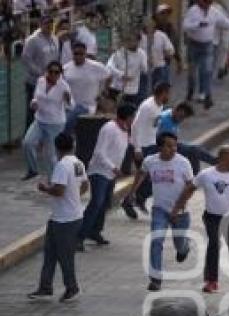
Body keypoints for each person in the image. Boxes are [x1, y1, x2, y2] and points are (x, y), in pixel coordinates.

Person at [171, 145, 229, 294]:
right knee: (213, 245)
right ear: (222, 159)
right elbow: (189, 189)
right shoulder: (206, 174)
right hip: (212, 217)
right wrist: (177, 208)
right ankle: (211, 281)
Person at [128, 132, 194, 291]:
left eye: (175, 145)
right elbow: (141, 173)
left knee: (180, 244)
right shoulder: (150, 161)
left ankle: (184, 247)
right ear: (160, 147)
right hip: (159, 209)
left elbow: (191, 186)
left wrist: (179, 207)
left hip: (180, 212)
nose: (173, 149)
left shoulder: (183, 163)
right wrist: (132, 192)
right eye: (169, 146)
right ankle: (155, 279)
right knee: (156, 241)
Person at [28, 132, 88, 303]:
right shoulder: (78, 163)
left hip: (65, 220)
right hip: (64, 216)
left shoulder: (62, 165)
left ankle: (72, 287)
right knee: (50, 253)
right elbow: (85, 185)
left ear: (56, 147)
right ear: (72, 145)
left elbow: (59, 190)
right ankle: (45, 287)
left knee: (64, 256)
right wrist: (74, 197)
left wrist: (45, 188)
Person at [77, 103, 136, 249]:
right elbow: (99, 152)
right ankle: (79, 236)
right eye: (132, 117)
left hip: (111, 173)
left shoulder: (125, 130)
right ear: (127, 117)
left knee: (105, 203)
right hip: (100, 171)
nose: (134, 120)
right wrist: (113, 168)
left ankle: (95, 231)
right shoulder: (109, 129)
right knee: (96, 202)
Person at [124, 81, 172, 217]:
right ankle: (131, 199)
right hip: (142, 147)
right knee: (148, 176)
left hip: (152, 145)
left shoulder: (160, 105)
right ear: (162, 93)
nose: (169, 96)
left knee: (152, 176)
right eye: (168, 93)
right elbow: (135, 126)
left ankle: (137, 198)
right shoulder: (147, 106)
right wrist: (137, 148)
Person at [182, 0, 229, 110]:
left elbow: (224, 22)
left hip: (207, 45)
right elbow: (185, 26)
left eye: (209, 2)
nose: (207, 4)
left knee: (207, 70)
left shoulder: (214, 11)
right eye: (205, 2)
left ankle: (207, 95)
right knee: (192, 72)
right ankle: (190, 91)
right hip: (193, 44)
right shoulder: (193, 11)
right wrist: (198, 25)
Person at [22, 61, 73, 182]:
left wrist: (68, 99)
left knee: (50, 155)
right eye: (51, 72)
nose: (53, 75)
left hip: (55, 123)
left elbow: (71, 105)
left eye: (56, 72)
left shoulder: (64, 86)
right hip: (40, 120)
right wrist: (34, 103)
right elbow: (36, 97)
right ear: (47, 71)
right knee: (28, 143)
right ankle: (33, 169)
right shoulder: (41, 81)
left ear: (60, 74)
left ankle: (54, 180)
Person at [62, 41, 111, 135]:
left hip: (87, 106)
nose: (78, 56)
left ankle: (63, 135)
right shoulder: (66, 68)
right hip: (69, 105)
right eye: (76, 54)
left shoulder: (95, 66)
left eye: (81, 54)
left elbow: (108, 76)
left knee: (68, 120)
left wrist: (103, 92)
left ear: (85, 53)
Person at [156, 102, 219, 172]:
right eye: (181, 116)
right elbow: (162, 140)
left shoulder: (173, 115)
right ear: (176, 110)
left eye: (184, 118)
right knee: (194, 150)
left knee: (193, 153)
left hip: (171, 144)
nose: (181, 120)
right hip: (162, 146)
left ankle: (194, 175)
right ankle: (216, 162)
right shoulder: (165, 120)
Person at [21, 15, 59, 128]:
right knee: (33, 111)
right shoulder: (32, 40)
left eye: (51, 23)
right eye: (46, 23)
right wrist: (40, 73)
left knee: (47, 110)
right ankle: (29, 134)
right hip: (35, 82)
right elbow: (26, 59)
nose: (49, 25)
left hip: (51, 82)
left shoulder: (54, 39)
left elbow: (56, 59)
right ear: (41, 24)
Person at [106, 33, 148, 107]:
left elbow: (144, 69)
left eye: (134, 40)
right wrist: (121, 74)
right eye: (129, 40)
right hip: (117, 87)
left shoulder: (142, 54)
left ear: (138, 41)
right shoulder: (119, 52)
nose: (131, 43)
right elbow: (109, 66)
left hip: (132, 89)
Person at [141, 17, 176, 90]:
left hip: (159, 67)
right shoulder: (140, 37)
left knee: (160, 89)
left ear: (154, 24)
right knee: (145, 90)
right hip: (144, 69)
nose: (149, 25)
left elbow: (171, 49)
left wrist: (168, 53)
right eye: (147, 23)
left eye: (151, 23)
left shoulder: (161, 35)